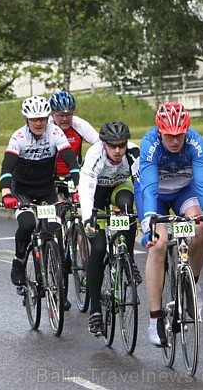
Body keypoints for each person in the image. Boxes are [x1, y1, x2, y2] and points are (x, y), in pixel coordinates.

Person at [137, 102, 203, 348]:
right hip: (153, 195)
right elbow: (149, 190)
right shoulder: (150, 145)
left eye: (180, 135)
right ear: (159, 131)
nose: (175, 141)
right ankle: (155, 318)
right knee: (159, 244)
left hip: (183, 191)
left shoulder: (196, 143)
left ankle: (190, 285)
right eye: (169, 135)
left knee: (200, 227)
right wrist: (150, 225)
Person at [0, 96, 81, 289]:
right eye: (34, 119)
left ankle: (57, 287)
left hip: (46, 190)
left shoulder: (55, 132)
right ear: (26, 119)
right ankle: (19, 262)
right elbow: (7, 168)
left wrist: (78, 188)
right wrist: (6, 193)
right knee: (27, 224)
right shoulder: (18, 137)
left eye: (42, 119)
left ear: (47, 118)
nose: (38, 123)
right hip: (21, 190)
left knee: (54, 231)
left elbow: (72, 162)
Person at [78, 121, 141, 337]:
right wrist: (88, 219)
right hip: (96, 196)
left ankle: (128, 259)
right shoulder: (95, 154)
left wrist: (145, 215)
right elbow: (85, 190)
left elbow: (141, 185)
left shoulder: (133, 153)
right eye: (112, 146)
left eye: (121, 145)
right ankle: (95, 309)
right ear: (104, 144)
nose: (117, 151)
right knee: (98, 249)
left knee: (128, 205)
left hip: (118, 189)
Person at [49, 91, 99, 196]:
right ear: (52, 114)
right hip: (49, 175)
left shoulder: (79, 124)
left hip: (73, 174)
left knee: (79, 206)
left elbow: (100, 144)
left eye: (69, 114)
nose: (65, 119)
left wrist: (90, 161)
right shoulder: (47, 126)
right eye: (60, 115)